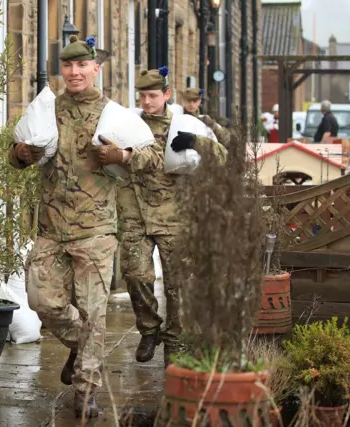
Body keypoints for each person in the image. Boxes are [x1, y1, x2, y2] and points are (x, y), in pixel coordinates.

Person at [9, 35, 162, 418]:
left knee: (95, 313)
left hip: (95, 232)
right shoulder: (47, 110)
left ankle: (86, 392)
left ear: (96, 68)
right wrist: (19, 155)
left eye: (82, 66)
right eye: (67, 66)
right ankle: (80, 346)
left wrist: (121, 155)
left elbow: (153, 156)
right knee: (42, 301)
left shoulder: (114, 114)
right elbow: (18, 153)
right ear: (61, 70)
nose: (74, 73)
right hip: (50, 227)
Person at [120, 68, 227, 364]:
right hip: (136, 214)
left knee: (178, 284)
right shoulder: (132, 124)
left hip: (175, 216)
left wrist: (195, 143)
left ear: (167, 95)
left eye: (152, 95)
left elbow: (223, 156)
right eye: (142, 95)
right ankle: (149, 329)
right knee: (135, 274)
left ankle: (175, 342)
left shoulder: (185, 124)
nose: (146, 101)